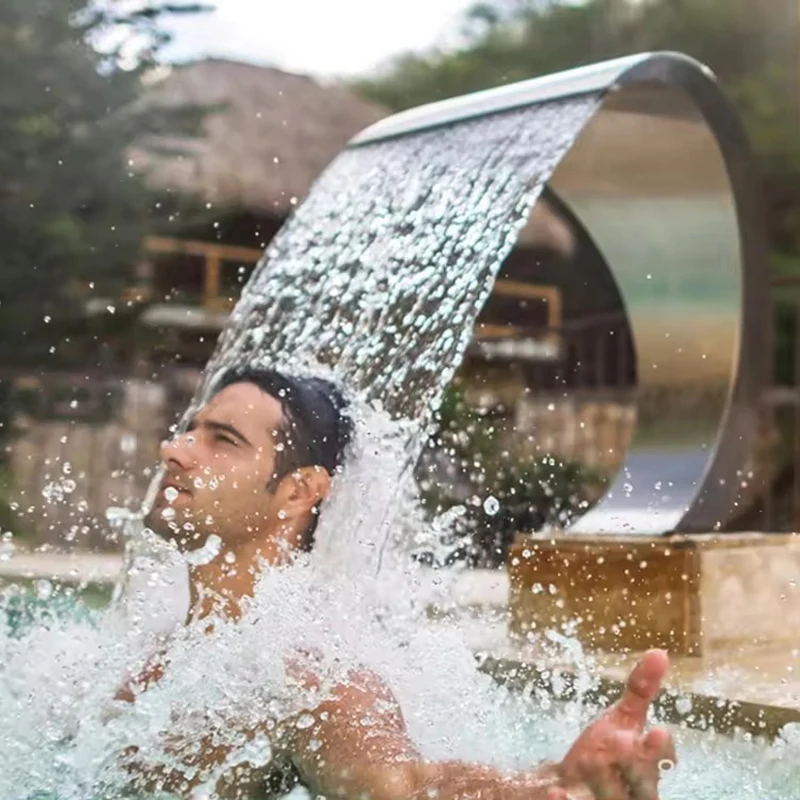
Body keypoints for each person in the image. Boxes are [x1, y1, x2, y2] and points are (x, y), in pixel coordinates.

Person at [123, 366, 676, 800]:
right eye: (189, 430)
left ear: (298, 492)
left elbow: (408, 786)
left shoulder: (306, 677)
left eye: (222, 440)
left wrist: (549, 784)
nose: (174, 450)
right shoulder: (155, 649)